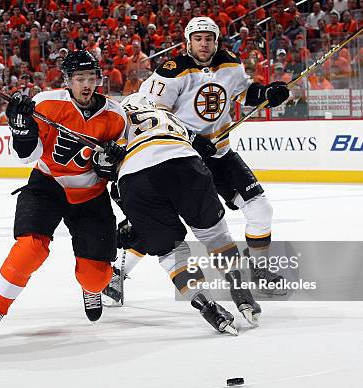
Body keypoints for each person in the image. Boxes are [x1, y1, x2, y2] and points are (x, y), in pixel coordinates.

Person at [108, 17, 289, 304]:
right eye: (198, 38)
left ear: (217, 40)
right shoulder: (172, 71)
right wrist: (192, 139)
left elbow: (244, 92)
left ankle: (259, 270)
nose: (204, 44)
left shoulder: (230, 62)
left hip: (219, 154)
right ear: (188, 41)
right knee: (163, 220)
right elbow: (153, 113)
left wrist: (267, 93)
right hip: (179, 155)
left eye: (209, 38)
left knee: (260, 208)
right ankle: (118, 274)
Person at [0, 51, 128, 337]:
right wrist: (21, 130)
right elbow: (28, 156)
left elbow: (120, 167)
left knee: (95, 278)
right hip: (48, 186)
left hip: (91, 196)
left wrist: (112, 163)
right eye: (80, 79)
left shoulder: (116, 116)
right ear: (68, 80)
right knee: (29, 250)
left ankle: (89, 289)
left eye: (91, 78)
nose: (86, 85)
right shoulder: (46, 104)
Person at [109, 93, 261, 334]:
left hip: (135, 179)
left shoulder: (113, 122)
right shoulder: (169, 116)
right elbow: (204, 148)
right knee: (216, 237)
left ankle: (207, 306)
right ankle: (241, 290)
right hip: (184, 163)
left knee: (172, 252)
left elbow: (102, 168)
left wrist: (128, 213)